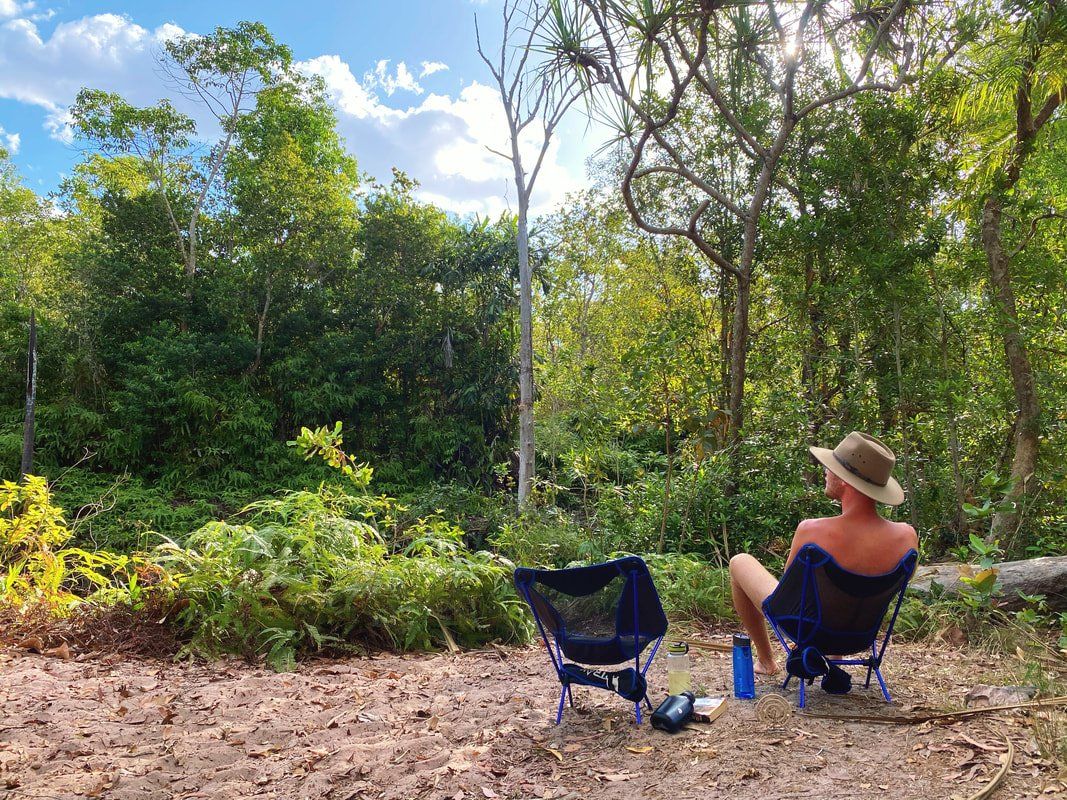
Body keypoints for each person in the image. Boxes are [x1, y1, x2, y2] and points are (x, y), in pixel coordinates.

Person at [729, 431, 919, 675]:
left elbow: (790, 594)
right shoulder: (906, 536)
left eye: (831, 468)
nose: (826, 472)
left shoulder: (812, 530)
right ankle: (833, 656)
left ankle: (766, 661)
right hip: (859, 637)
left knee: (739, 561)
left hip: (807, 629)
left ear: (846, 480)